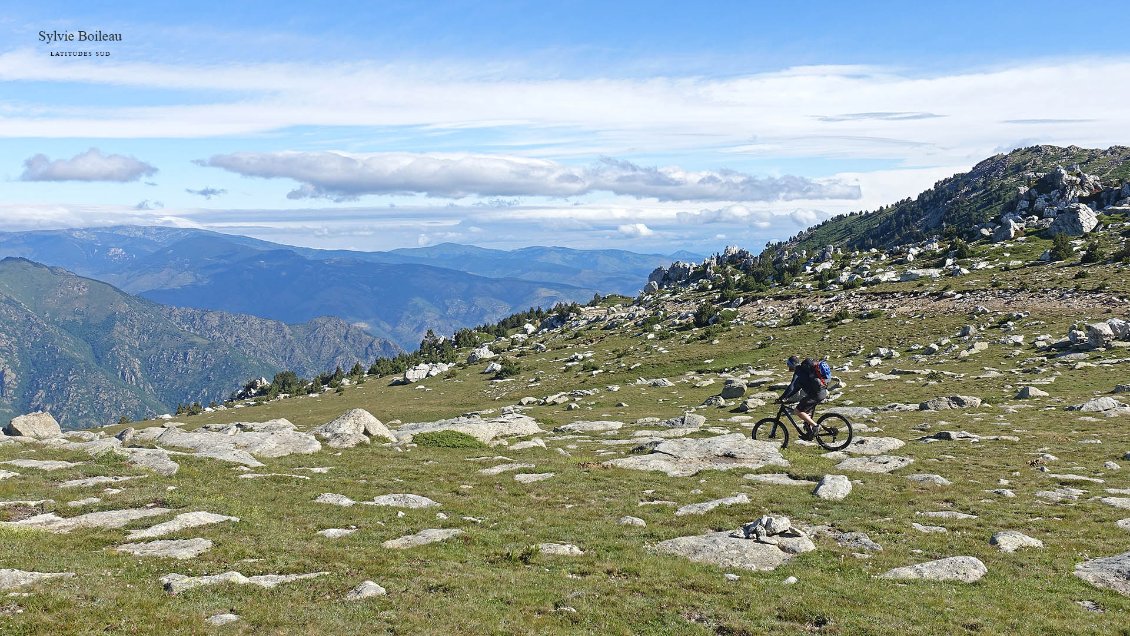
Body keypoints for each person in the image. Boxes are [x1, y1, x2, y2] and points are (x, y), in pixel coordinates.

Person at [779, 355, 827, 440]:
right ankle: (809, 434)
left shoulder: (798, 371)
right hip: (822, 392)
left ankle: (816, 426)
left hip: (816, 394)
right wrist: (787, 397)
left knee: (798, 411)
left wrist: (781, 398)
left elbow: (792, 386)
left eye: (788, 364)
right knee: (806, 413)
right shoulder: (804, 371)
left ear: (793, 364)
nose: (788, 366)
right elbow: (796, 388)